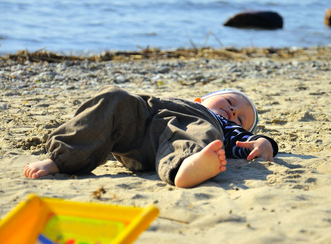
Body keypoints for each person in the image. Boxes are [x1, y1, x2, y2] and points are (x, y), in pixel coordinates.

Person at [23, 86, 278, 188]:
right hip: (145, 118)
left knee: (201, 136)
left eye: (240, 118)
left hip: (176, 136)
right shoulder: (187, 101)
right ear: (203, 98)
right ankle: (61, 159)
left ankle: (186, 167)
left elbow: (245, 142)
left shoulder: (218, 122)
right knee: (115, 98)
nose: (233, 111)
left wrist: (263, 142)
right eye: (232, 101)